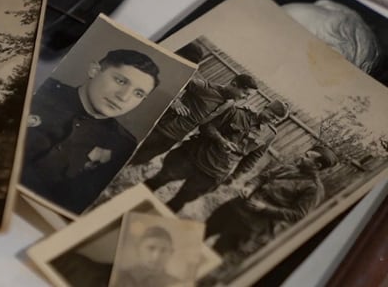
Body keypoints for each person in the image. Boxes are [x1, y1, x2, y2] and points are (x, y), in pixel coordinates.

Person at [21, 49, 160, 214]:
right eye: (120, 81)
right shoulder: (39, 88)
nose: (124, 97)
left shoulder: (122, 144)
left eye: (138, 94)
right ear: (94, 70)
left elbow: (72, 205)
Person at [145, 99, 289, 212]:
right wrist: (220, 140)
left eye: (276, 120)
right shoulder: (237, 112)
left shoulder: (269, 134)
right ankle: (131, 203)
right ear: (266, 107)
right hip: (193, 157)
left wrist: (235, 176)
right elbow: (206, 126)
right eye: (271, 115)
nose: (272, 120)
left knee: (181, 200)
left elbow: (254, 157)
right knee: (159, 180)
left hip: (214, 173)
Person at [204, 146, 339, 255]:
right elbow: (263, 177)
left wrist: (265, 208)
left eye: (307, 157)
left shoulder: (314, 188)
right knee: (202, 231)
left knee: (217, 253)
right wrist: (250, 187)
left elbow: (298, 214)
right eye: (305, 154)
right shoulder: (289, 168)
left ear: (318, 165)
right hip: (236, 206)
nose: (301, 157)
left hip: (251, 224)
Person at [131, 73, 258, 165]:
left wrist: (222, 141)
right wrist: (174, 101)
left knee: (140, 160)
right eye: (245, 94)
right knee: (126, 155)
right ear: (234, 84)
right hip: (159, 130)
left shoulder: (229, 104)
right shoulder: (204, 87)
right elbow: (168, 82)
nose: (245, 98)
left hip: (174, 138)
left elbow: (206, 126)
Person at [113, 226, 180, 287]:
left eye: (163, 250)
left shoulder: (177, 283)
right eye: (151, 248)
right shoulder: (119, 277)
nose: (156, 257)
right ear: (138, 249)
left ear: (171, 253)